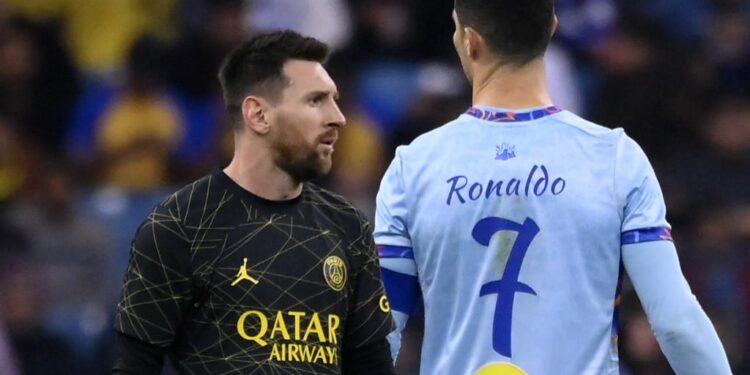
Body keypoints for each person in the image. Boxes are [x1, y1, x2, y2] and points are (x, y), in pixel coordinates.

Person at [374, 1, 733, 374]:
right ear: (552, 28)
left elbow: (380, 334)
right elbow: (676, 323)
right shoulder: (613, 159)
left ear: (469, 40)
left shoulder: (414, 168)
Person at [113, 30, 395, 375]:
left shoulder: (349, 227)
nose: (338, 116)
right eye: (316, 101)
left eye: (334, 99)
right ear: (258, 115)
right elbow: (135, 366)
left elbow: (372, 365)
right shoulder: (178, 226)